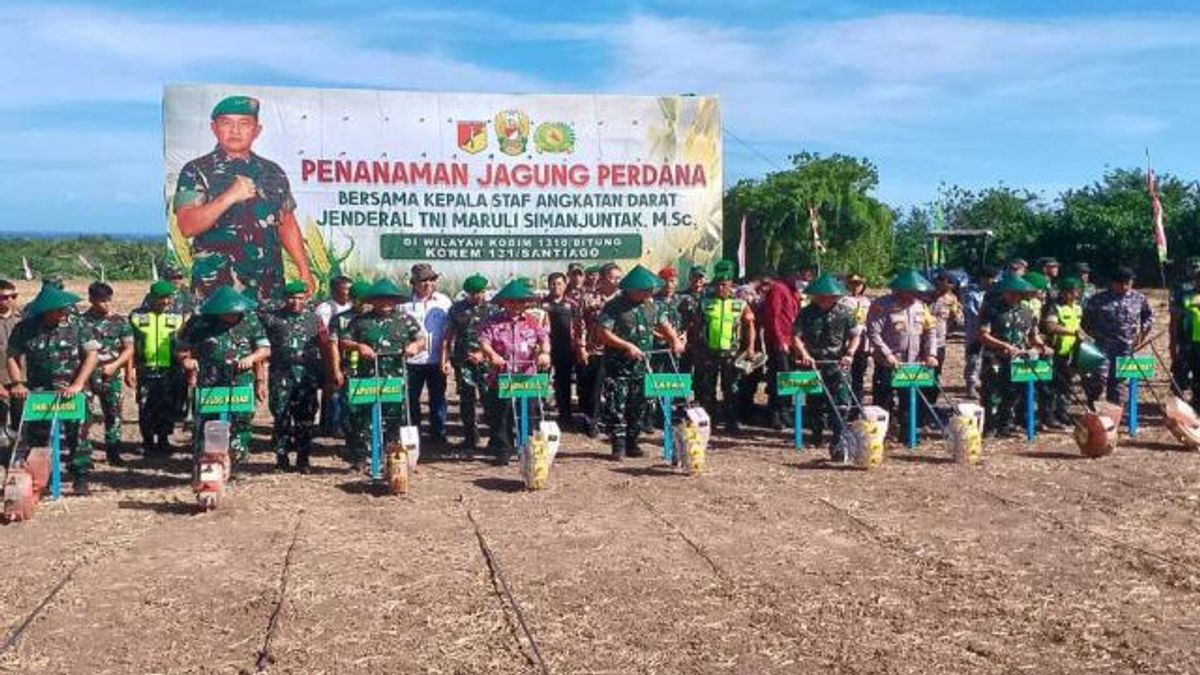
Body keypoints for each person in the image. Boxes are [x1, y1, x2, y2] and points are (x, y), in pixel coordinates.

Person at [173, 95, 314, 301]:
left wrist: (304, 269)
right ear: (214, 128)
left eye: (244, 123)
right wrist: (228, 197)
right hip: (219, 292)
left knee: (268, 334)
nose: (235, 131)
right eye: (226, 123)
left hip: (269, 287)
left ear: (256, 130)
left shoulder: (273, 172)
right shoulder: (195, 170)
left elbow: (286, 222)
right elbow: (187, 226)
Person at [5, 285, 99, 494]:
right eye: (59, 310)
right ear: (46, 310)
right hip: (40, 391)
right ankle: (41, 479)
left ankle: (80, 477)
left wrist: (78, 384)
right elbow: (12, 356)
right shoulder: (25, 329)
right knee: (39, 435)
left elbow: (92, 356)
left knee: (79, 433)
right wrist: (18, 383)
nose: (64, 313)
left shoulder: (78, 326)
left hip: (72, 390)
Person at [177, 286, 271, 466]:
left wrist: (251, 359)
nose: (233, 317)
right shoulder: (199, 322)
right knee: (208, 420)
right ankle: (206, 461)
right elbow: (182, 348)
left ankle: (237, 460)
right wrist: (186, 361)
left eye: (236, 313)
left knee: (241, 419)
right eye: (228, 313)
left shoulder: (250, 320)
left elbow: (264, 349)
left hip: (240, 381)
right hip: (210, 381)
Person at [338, 279, 425, 473]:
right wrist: (359, 346)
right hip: (367, 377)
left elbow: (420, 339)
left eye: (390, 300)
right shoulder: (361, 321)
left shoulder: (405, 319)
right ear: (373, 301)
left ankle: (392, 458)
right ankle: (363, 458)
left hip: (395, 378)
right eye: (381, 300)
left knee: (394, 417)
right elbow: (344, 341)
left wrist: (415, 346)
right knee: (363, 418)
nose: (386, 303)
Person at [598, 266, 684, 459]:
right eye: (644, 290)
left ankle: (632, 442)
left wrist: (674, 341)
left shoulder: (652, 306)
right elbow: (603, 333)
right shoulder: (614, 306)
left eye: (649, 290)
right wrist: (626, 345)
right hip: (618, 365)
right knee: (616, 404)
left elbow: (664, 325)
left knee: (640, 404)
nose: (648, 293)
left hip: (643, 365)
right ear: (631, 289)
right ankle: (618, 445)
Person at [477, 280, 550, 466]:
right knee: (502, 415)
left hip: (527, 375)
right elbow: (484, 342)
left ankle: (528, 449)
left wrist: (544, 353)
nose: (516, 305)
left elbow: (544, 339)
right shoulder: (493, 321)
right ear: (504, 302)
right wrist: (492, 355)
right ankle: (503, 450)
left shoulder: (532, 322)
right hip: (503, 375)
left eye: (520, 302)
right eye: (512, 302)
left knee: (529, 413)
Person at [791, 273, 862, 459]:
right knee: (814, 402)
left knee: (841, 403)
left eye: (828, 297)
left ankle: (838, 438)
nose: (824, 300)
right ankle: (815, 435)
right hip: (813, 364)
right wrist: (804, 355)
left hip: (837, 364)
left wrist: (849, 354)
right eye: (820, 297)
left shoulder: (845, 312)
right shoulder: (806, 313)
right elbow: (796, 337)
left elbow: (856, 335)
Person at [866, 270, 937, 442]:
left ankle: (908, 433)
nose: (915, 295)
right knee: (884, 399)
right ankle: (881, 434)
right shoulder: (882, 305)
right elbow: (873, 332)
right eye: (912, 291)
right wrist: (887, 354)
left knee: (910, 399)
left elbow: (930, 331)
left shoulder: (921, 307)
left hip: (912, 364)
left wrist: (931, 354)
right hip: (888, 363)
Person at [262, 281, 323, 472]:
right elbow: (261, 346)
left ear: (305, 298)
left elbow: (326, 345)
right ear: (284, 298)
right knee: (281, 417)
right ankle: (282, 458)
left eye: (299, 298)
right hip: (281, 375)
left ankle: (303, 459)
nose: (295, 302)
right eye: (291, 298)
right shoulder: (272, 319)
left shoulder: (315, 319)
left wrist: (329, 373)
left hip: (307, 376)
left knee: (305, 419)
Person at [692, 259, 757, 433]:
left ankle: (731, 422)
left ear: (730, 284)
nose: (720, 288)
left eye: (724, 285)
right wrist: (696, 349)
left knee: (731, 389)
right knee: (708, 389)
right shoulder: (705, 302)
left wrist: (750, 348)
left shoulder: (740, 303)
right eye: (718, 285)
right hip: (709, 353)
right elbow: (697, 326)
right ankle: (710, 421)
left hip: (732, 353)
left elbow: (750, 325)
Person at [977, 275, 1046, 437]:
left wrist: (1042, 345)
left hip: (1018, 360)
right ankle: (989, 427)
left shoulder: (1027, 311)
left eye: (1017, 293)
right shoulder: (992, 308)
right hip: (995, 358)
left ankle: (1005, 425)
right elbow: (982, 335)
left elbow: (1032, 336)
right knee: (992, 393)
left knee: (1013, 393)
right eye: (1011, 292)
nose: (1014, 296)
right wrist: (1003, 345)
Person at [79, 282, 135, 465]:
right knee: (84, 416)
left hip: (111, 373)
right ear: (91, 300)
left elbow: (128, 348)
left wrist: (120, 368)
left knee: (114, 414)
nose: (106, 304)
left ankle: (113, 453)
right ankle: (83, 455)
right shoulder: (81, 322)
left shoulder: (120, 321)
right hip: (87, 376)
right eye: (102, 301)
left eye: (108, 300)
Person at [1082, 266, 1153, 406]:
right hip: (1102, 348)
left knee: (1119, 382)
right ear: (1113, 283)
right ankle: (1093, 405)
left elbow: (1148, 317)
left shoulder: (1139, 298)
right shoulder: (1097, 299)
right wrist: (1092, 337)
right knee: (1098, 379)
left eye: (1129, 282)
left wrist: (1141, 335)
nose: (1126, 286)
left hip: (1125, 348)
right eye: (1122, 283)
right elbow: (1085, 321)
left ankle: (1113, 413)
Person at [129, 281, 185, 457]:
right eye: (162, 298)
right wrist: (129, 369)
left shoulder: (177, 317)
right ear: (152, 297)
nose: (166, 302)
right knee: (146, 406)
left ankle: (163, 440)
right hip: (146, 369)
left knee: (167, 405)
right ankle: (147, 442)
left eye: (168, 298)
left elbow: (183, 342)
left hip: (170, 369)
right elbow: (129, 345)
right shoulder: (137, 316)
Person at [401, 264, 452, 444]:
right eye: (423, 280)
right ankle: (413, 434)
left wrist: (446, 359)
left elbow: (449, 332)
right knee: (410, 399)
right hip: (412, 361)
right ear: (413, 283)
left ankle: (438, 433)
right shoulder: (404, 305)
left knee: (438, 398)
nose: (428, 284)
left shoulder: (444, 302)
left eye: (431, 280)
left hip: (436, 359)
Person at [444, 274, 494, 452]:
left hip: (487, 361)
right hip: (463, 361)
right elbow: (448, 335)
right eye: (473, 293)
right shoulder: (456, 309)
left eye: (480, 292)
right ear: (467, 293)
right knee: (466, 400)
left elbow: (496, 336)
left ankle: (495, 438)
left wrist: (483, 353)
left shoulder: (492, 310)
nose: (477, 296)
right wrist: (445, 360)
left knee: (490, 398)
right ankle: (470, 437)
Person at [575, 263, 622, 437]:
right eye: (612, 277)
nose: (616, 281)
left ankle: (613, 422)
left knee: (615, 387)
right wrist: (580, 347)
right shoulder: (588, 298)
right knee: (594, 389)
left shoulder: (623, 299)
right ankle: (591, 422)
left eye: (619, 277)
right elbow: (579, 323)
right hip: (594, 349)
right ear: (602, 279)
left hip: (618, 350)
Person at [1042, 277, 1087, 427]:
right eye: (1071, 292)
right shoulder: (1055, 307)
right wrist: (1072, 332)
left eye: (1076, 292)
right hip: (1055, 351)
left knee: (1067, 385)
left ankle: (1063, 413)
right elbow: (1050, 326)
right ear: (1063, 292)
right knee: (1051, 386)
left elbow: (1078, 326)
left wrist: (1084, 336)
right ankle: (1048, 416)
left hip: (1071, 352)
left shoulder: (1078, 308)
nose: (1074, 295)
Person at [761, 264, 801, 431]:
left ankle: (785, 410)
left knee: (788, 376)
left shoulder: (794, 293)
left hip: (791, 340)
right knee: (778, 376)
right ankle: (776, 414)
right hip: (780, 341)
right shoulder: (778, 289)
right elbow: (773, 317)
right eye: (795, 275)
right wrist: (780, 340)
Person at [542, 272, 580, 427]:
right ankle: (539, 414)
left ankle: (565, 415)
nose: (555, 287)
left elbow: (578, 327)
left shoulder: (572, 304)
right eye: (552, 283)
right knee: (541, 381)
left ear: (565, 285)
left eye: (559, 283)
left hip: (565, 348)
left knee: (563, 383)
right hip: (545, 349)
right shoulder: (541, 304)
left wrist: (578, 346)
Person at [926, 271, 962, 418]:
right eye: (948, 283)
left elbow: (958, 321)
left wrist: (953, 321)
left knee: (935, 373)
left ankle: (931, 404)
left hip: (939, 342)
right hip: (922, 340)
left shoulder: (952, 300)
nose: (950, 287)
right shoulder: (926, 295)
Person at [962, 266, 999, 400]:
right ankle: (971, 386)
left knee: (990, 360)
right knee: (974, 360)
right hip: (975, 332)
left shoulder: (996, 293)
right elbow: (972, 313)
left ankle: (987, 385)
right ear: (983, 279)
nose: (993, 282)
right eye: (990, 279)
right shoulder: (972, 293)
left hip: (992, 333)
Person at [1169, 257, 1200, 395]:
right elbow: (1174, 318)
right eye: (1191, 267)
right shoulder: (1182, 290)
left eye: (1197, 267)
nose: (1194, 271)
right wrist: (1173, 341)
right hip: (1187, 339)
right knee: (1181, 374)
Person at [841, 271, 872, 402]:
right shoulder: (842, 301)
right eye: (852, 283)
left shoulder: (867, 302)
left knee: (858, 376)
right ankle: (843, 404)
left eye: (858, 284)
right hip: (846, 343)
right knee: (843, 377)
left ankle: (856, 406)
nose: (855, 287)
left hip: (863, 344)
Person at [0, 279, 22, 433]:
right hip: (1, 379)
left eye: (13, 296)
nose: (10, 300)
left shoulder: (24, 320)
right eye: (5, 297)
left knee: (20, 424)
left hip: (22, 380)